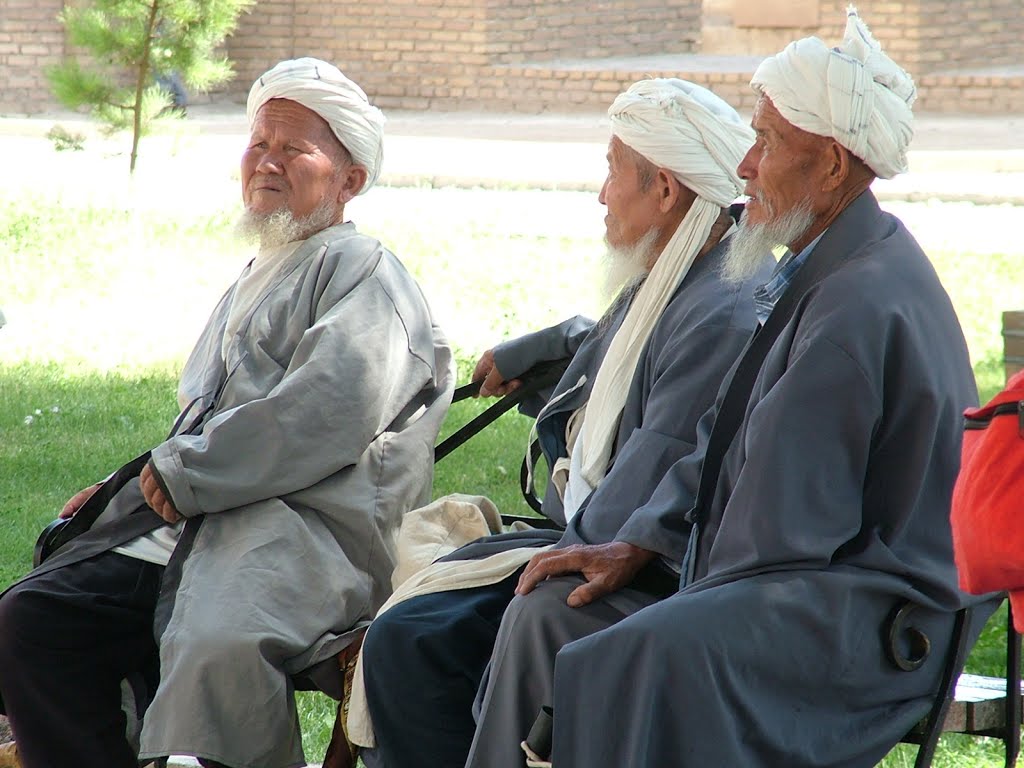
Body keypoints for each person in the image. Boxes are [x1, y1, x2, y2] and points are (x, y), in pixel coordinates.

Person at [531, 9, 997, 767]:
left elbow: (785, 526)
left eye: (768, 142)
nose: (745, 166)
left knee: (626, 656)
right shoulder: (831, 262)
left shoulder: (857, 300)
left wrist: (677, 582)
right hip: (813, 582)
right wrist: (642, 542)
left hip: (877, 618)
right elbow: (722, 438)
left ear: (835, 167)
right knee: (559, 621)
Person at [0, 57, 454, 768]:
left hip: (305, 530)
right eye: (258, 143)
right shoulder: (263, 270)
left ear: (351, 179)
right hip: (211, 512)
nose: (267, 162)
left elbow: (323, 412)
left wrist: (184, 474)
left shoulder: (365, 272)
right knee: (34, 616)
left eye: (294, 148)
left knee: (215, 644)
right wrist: (130, 489)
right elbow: (204, 424)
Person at [356, 79, 773, 768]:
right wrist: (547, 350)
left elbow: (643, 488)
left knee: (418, 642)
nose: (602, 194)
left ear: (665, 191)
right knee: (414, 628)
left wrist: (550, 550)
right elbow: (622, 358)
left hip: (639, 568)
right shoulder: (684, 274)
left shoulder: (720, 313)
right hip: (600, 539)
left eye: (613, 172)